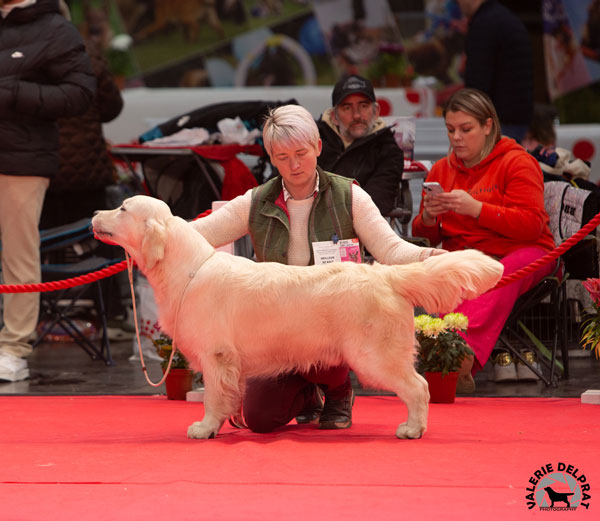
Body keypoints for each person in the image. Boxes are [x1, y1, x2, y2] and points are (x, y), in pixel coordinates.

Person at [191, 104, 443, 433]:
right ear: (270, 157)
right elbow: (195, 236)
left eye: (301, 152)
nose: (294, 165)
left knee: (330, 328)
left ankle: (337, 390)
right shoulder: (255, 201)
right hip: (276, 334)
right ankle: (308, 395)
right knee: (259, 419)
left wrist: (431, 259)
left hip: (333, 322)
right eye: (282, 157)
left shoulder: (349, 194)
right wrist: (145, 232)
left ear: (318, 147)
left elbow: (390, 248)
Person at [412, 88, 556, 391]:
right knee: (446, 268)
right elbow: (425, 235)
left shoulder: (518, 162)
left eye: (466, 129)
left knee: (498, 272)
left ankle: (454, 358)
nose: (456, 138)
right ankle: (447, 358)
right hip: (466, 256)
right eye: (450, 130)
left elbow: (532, 226)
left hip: (523, 251)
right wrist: (428, 218)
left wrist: (477, 209)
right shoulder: (441, 168)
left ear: (488, 126)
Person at [0, 0, 96, 382]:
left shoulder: (56, 28)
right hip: (22, 156)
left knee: (19, 255)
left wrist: (14, 93)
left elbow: (81, 92)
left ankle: (13, 349)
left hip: (22, 159)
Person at [316, 74, 404, 216]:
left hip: (358, 231)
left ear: (376, 112)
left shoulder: (389, 151)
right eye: (347, 108)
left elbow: (376, 204)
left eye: (363, 106)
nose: (357, 115)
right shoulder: (311, 140)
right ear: (334, 116)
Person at [456, 0, 534, 143]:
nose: (457, 3)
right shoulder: (504, 17)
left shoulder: (484, 24)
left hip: (497, 121)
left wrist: (468, 117)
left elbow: (477, 81)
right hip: (515, 117)